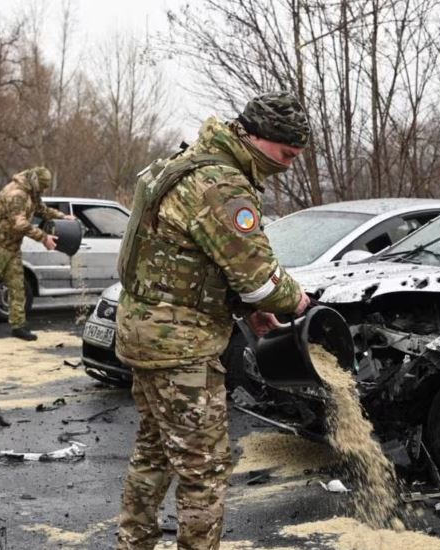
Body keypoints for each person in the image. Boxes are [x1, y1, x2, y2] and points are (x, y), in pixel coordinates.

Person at [115, 91, 312, 549]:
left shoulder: (189, 163)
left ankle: (133, 543)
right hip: (181, 348)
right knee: (204, 470)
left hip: (145, 333)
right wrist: (296, 301)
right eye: (286, 154)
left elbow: (189, 263)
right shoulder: (221, 185)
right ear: (256, 137)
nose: (289, 165)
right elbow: (261, 278)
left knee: (154, 454)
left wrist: (249, 309)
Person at [0, 166, 67, 342]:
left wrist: (62, 217)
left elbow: (42, 209)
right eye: (42, 187)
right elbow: (20, 224)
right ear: (35, 182)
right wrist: (44, 238)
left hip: (12, 245)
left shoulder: (32, 192)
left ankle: (18, 326)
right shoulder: (16, 194)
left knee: (17, 286)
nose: (42, 190)